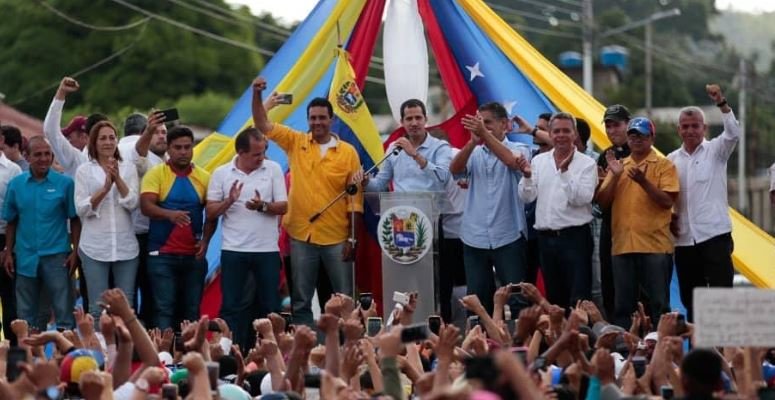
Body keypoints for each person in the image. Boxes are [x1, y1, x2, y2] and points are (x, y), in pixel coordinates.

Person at [251, 77, 363, 325]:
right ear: (308, 120)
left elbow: (355, 199)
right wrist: (257, 95)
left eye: (322, 118)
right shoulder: (296, 141)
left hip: (337, 236)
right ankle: (305, 348)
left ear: (331, 120)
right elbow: (261, 123)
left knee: (344, 299)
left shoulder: (348, 152)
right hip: (301, 235)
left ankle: (349, 348)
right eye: (312, 118)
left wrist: (353, 238)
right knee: (300, 299)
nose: (317, 122)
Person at [206, 127, 288, 352]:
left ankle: (268, 353)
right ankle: (229, 353)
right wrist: (229, 201)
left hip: (267, 251)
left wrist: (263, 206)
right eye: (256, 154)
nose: (262, 158)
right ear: (241, 153)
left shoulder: (272, 169)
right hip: (234, 250)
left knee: (269, 306)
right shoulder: (222, 173)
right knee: (232, 306)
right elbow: (211, 212)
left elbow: (283, 205)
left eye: (263, 152)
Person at [595, 117, 679, 327]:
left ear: (652, 137)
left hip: (655, 247)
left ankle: (663, 350)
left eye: (641, 135)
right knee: (623, 307)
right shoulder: (619, 166)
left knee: (659, 305)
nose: (636, 139)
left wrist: (643, 182)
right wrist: (614, 177)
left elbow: (667, 201)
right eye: (632, 135)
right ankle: (625, 354)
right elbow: (603, 203)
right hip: (623, 246)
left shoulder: (664, 165)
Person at [667, 84, 740, 322]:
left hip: (715, 235)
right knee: (692, 301)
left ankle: (725, 354)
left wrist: (721, 102)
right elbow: (665, 197)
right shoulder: (670, 161)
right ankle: (700, 353)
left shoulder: (717, 151)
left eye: (695, 126)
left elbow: (733, 133)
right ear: (679, 130)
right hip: (685, 240)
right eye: (685, 127)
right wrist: (669, 216)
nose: (690, 131)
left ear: (704, 128)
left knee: (721, 298)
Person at [450, 102, 531, 314]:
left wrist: (484, 135)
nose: (482, 127)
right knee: (476, 301)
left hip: (509, 235)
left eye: (487, 123)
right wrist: (471, 143)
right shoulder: (474, 152)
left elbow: (512, 162)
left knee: (516, 300)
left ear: (504, 124)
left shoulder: (520, 149)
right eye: (479, 124)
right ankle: (480, 345)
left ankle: (518, 346)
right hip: (474, 237)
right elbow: (455, 170)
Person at [517, 112, 597, 309]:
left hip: (575, 238)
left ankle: (580, 339)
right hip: (546, 239)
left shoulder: (587, 163)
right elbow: (527, 197)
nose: (561, 135)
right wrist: (527, 177)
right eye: (557, 131)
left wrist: (565, 171)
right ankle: (558, 338)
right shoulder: (538, 161)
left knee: (579, 300)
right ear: (550, 134)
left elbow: (582, 199)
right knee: (554, 300)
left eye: (566, 131)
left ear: (575, 134)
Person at [140, 126, 214, 329]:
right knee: (164, 308)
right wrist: (169, 214)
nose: (183, 152)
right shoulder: (156, 175)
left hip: (194, 256)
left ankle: (191, 357)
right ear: (168, 150)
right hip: (162, 255)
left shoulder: (204, 177)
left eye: (187, 147)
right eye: (178, 147)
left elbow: (212, 214)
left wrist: (206, 241)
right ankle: (165, 357)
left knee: (191, 309)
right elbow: (146, 206)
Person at [2, 136, 79, 330]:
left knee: (64, 313)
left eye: (47, 154)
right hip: (25, 256)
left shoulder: (65, 184)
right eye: (38, 154)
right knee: (26, 315)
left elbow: (75, 219)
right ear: (27, 157)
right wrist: (9, 252)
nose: (44, 158)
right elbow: (11, 221)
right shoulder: (16, 184)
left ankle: (66, 358)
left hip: (57, 257)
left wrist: (75, 252)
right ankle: (28, 358)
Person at [75, 120, 140, 323]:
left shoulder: (128, 168)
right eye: (103, 138)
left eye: (112, 137)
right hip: (94, 245)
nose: (108, 142)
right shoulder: (84, 171)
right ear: (94, 142)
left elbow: (133, 203)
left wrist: (118, 179)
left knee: (126, 306)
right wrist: (104, 189)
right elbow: (82, 208)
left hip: (125, 245)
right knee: (97, 308)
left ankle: (127, 351)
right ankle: (99, 353)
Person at [118, 111, 168, 325]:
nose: (162, 136)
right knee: (149, 291)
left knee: (123, 293)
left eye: (165, 132)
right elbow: (139, 158)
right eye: (157, 132)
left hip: (118, 234)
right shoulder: (149, 157)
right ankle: (146, 340)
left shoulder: (109, 150)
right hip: (147, 233)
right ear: (144, 132)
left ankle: (125, 340)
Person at [360, 99, 452, 193]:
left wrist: (415, 155)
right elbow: (379, 185)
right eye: (409, 119)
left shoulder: (440, 147)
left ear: (426, 119)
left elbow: (443, 179)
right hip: (402, 207)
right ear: (402, 122)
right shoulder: (394, 148)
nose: (414, 123)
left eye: (418, 118)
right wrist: (365, 182)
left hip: (433, 206)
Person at [596, 104, 632, 320]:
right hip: (611, 227)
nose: (612, 130)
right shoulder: (605, 156)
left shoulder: (642, 152)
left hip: (636, 229)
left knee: (637, 290)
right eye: (608, 126)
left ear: (628, 125)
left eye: (616, 125)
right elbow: (601, 202)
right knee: (610, 285)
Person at [42, 77, 90, 177]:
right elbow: (50, 131)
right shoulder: (77, 159)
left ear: (84, 137)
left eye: (70, 137)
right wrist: (61, 93)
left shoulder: (115, 159)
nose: (68, 141)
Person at [0, 145, 21, 343]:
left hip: (5, 237)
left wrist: (7, 248)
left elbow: (15, 213)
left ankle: (13, 352)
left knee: (9, 298)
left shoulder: (13, 170)